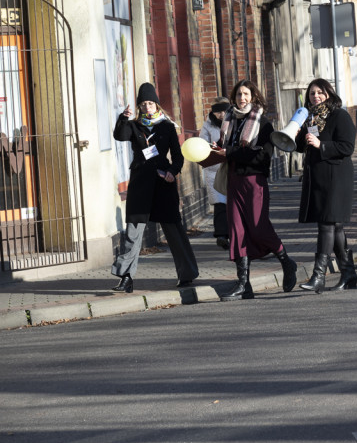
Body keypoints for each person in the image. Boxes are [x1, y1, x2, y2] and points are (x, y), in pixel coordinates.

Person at [212, 79, 297, 299]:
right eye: (238, 94)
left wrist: (230, 153)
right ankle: (244, 284)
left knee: (259, 228)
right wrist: (217, 150)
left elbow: (262, 156)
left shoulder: (263, 123)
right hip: (233, 180)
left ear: (253, 97)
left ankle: (287, 262)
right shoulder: (229, 121)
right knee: (236, 230)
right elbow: (226, 148)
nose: (242, 98)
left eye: (246, 94)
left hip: (254, 181)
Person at [110, 83, 199, 292]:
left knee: (173, 229)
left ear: (156, 104)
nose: (147, 107)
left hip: (163, 182)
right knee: (133, 231)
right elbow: (120, 136)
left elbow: (177, 156)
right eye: (143, 104)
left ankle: (187, 274)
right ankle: (125, 277)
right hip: (140, 182)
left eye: (150, 103)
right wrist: (123, 118)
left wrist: (172, 172)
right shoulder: (134, 125)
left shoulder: (167, 126)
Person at [294, 78, 357, 293]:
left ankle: (318, 276)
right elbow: (303, 147)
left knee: (326, 224)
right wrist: (297, 135)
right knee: (335, 226)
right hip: (319, 178)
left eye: (320, 92)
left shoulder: (339, 115)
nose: (316, 96)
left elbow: (347, 147)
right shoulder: (311, 117)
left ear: (329, 93)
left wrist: (322, 144)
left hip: (337, 177)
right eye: (312, 93)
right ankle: (348, 274)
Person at [199, 96, 231, 249]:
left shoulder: (235, 122)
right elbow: (201, 144)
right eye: (218, 112)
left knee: (233, 203)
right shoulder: (207, 126)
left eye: (224, 111)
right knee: (220, 203)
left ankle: (235, 233)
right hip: (215, 169)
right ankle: (221, 235)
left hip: (231, 167)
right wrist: (211, 147)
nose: (221, 115)